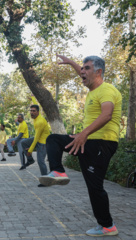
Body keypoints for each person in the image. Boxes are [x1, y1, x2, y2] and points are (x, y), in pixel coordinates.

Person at [39, 55, 122, 237]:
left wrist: (83, 134)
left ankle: (108, 226)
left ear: (99, 72)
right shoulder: (93, 88)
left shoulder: (107, 90)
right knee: (54, 140)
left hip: (102, 143)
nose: (82, 72)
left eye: (86, 68)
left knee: (95, 187)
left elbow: (106, 115)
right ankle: (58, 172)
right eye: (82, 69)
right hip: (87, 141)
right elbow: (83, 74)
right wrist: (71, 63)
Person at [20, 105, 50, 181]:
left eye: (34, 111)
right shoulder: (37, 117)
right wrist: (33, 98)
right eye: (31, 111)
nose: (32, 113)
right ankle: (30, 160)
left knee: (40, 161)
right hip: (38, 139)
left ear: (38, 112)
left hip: (43, 142)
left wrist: (30, 150)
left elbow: (36, 138)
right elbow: (36, 105)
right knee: (24, 143)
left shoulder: (40, 122)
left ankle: (45, 179)